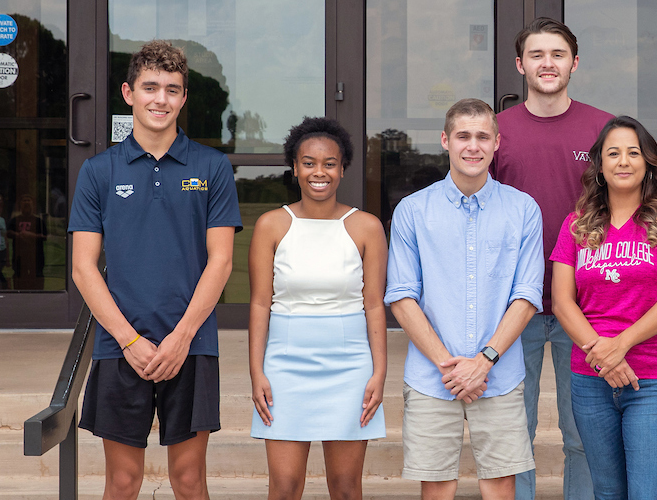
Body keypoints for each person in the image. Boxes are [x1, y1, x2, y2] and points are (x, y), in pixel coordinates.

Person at [68, 40, 242, 500]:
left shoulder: (212, 166)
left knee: (189, 482)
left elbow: (221, 261)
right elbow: (84, 269)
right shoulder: (99, 171)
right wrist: (129, 341)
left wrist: (181, 337)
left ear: (184, 98)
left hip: (192, 343)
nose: (160, 99)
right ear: (128, 93)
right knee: (122, 483)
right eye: (150, 87)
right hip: (120, 345)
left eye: (171, 89)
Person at [385, 98, 543, 500]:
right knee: (436, 490)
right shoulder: (413, 211)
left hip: (500, 375)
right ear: (445, 141)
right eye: (463, 136)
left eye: (482, 136)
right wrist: (451, 367)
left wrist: (483, 361)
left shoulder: (523, 210)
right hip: (432, 378)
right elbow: (403, 297)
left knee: (500, 489)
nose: (473, 146)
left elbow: (526, 295)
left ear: (496, 143)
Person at [489, 17, 614, 500]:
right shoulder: (496, 132)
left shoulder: (602, 128)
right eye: (537, 55)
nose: (547, 63)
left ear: (574, 63)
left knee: (582, 432)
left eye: (557, 55)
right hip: (512, 306)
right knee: (511, 434)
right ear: (520, 65)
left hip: (586, 309)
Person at [549, 116, 657, 499]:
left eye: (633, 152)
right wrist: (602, 356)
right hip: (590, 378)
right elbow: (561, 301)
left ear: (648, 162)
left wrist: (620, 345)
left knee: (647, 493)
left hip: (654, 377)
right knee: (607, 492)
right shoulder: (577, 225)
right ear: (599, 165)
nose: (623, 161)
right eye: (613, 153)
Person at [247, 117, 387, 499]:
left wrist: (378, 371)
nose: (318, 172)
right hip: (286, 363)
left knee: (345, 487)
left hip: (350, 364)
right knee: (286, 485)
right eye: (308, 162)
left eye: (329, 163)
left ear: (342, 168)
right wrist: (256, 370)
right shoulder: (271, 224)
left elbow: (374, 305)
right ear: (294, 167)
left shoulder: (367, 227)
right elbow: (260, 304)